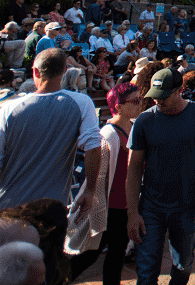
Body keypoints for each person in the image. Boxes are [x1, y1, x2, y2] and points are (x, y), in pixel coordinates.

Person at [0, 48, 102, 212]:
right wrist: (90, 190)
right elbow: (93, 146)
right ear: (65, 70)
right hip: (51, 210)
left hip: (9, 208)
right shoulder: (82, 103)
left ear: (35, 71)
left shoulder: (9, 108)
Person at [126, 67, 195, 285]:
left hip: (186, 206)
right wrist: (132, 213)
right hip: (151, 208)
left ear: (180, 90)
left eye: (164, 97)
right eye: (155, 97)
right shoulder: (144, 121)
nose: (158, 101)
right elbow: (134, 168)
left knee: (184, 264)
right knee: (146, 272)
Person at [66, 82, 142, 285]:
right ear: (118, 106)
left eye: (140, 99)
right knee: (90, 255)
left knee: (116, 255)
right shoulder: (108, 134)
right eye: (135, 101)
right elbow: (99, 175)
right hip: (109, 206)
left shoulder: (134, 128)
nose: (139, 104)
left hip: (126, 204)